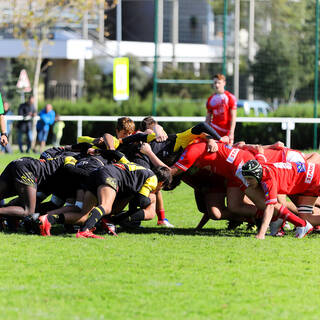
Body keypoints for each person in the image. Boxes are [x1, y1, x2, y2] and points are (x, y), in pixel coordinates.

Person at [241, 159, 314, 239]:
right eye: (246, 178)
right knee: (305, 215)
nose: (247, 181)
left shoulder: (269, 179)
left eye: (250, 178)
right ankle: (301, 225)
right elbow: (260, 154)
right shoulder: (261, 168)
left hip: (313, 178)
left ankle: (303, 225)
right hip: (309, 175)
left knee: (306, 216)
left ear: (257, 175)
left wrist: (261, 234)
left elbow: (270, 207)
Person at [205, 73, 237, 145]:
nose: (217, 85)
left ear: (224, 83)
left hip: (226, 133)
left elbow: (233, 117)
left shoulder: (230, 97)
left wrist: (231, 133)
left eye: (219, 83)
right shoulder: (210, 99)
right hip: (214, 131)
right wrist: (206, 133)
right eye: (215, 83)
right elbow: (208, 119)